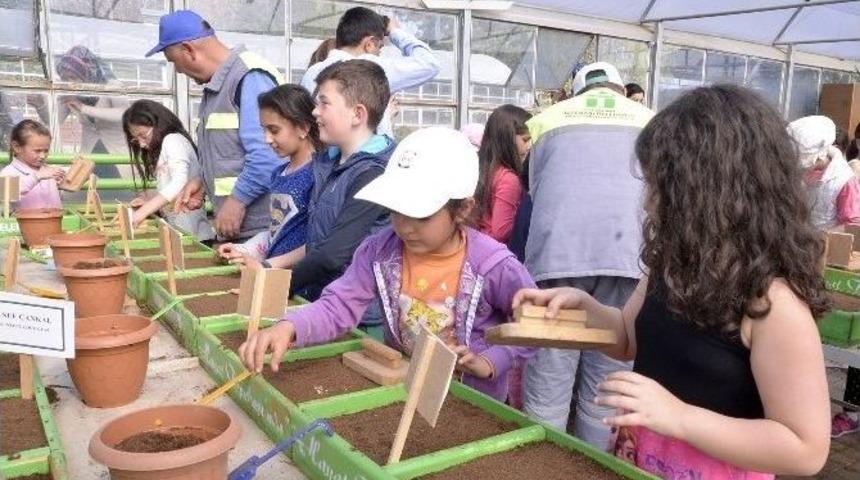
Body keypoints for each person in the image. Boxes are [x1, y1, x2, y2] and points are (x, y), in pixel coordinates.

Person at [514, 84, 831, 478]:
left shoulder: (773, 304)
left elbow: (805, 448)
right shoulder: (669, 265)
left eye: (661, 188)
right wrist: (585, 309)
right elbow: (628, 337)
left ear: (713, 192)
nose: (647, 202)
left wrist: (679, 417)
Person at [238, 127, 535, 402]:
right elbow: (339, 305)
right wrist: (290, 326)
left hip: (473, 400)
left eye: (420, 215)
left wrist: (490, 361)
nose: (405, 226)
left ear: (463, 209)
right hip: (406, 389)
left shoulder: (494, 265)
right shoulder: (379, 251)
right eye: (396, 210)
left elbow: (533, 324)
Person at [522, 62, 654, 448]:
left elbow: (536, 187)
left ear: (577, 92)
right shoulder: (650, 120)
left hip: (558, 257)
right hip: (629, 258)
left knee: (550, 369)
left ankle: (541, 461)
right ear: (620, 89)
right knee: (608, 379)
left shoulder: (549, 119)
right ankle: (595, 463)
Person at [147, 10, 284, 242]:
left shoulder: (250, 77)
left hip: (262, 229)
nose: (177, 71)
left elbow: (268, 154)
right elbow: (227, 151)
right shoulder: (217, 87)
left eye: (173, 62)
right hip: (240, 229)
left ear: (189, 50)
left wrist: (237, 201)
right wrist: (202, 181)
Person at [288, 60, 395, 316]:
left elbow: (332, 255)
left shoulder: (373, 174)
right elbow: (317, 241)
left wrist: (278, 286)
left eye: (324, 103)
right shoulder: (329, 162)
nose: (315, 112)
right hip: (327, 302)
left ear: (357, 115)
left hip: (358, 314)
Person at [218, 84, 322, 268]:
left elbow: (319, 242)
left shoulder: (319, 175)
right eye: (264, 130)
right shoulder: (278, 174)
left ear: (303, 128)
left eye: (274, 131)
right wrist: (244, 250)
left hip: (302, 278)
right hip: (274, 274)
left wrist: (268, 265)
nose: (267, 139)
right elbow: (277, 231)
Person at [301, 6, 439, 139]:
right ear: (370, 44)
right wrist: (394, 31)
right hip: (365, 153)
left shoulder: (312, 72)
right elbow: (429, 63)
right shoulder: (372, 69)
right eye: (380, 47)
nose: (379, 53)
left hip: (320, 153)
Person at [121, 100, 214, 240]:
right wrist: (151, 201)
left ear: (158, 125)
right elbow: (172, 190)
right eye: (136, 139)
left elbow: (178, 182)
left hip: (194, 237)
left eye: (143, 136)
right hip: (182, 233)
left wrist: (143, 211)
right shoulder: (166, 145)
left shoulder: (173, 140)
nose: (141, 144)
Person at [787, 115, 860, 229]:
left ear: (818, 155)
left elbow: (851, 225)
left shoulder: (843, 181)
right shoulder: (794, 173)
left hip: (824, 237)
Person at [475, 105, 532, 244]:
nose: (529, 146)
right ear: (507, 140)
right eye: (525, 140)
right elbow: (501, 232)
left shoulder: (481, 168)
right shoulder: (509, 179)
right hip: (498, 250)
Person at [1, 120, 63, 211]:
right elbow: (7, 196)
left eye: (46, 151)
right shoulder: (8, 172)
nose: (43, 156)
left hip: (54, 219)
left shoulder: (47, 170)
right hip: (24, 220)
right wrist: (36, 177)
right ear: (17, 147)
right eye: (37, 151)